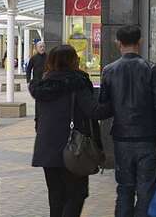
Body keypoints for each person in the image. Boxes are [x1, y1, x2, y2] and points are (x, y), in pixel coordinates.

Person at [99, 25, 156, 217]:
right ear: (140, 42)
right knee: (147, 191)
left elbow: (103, 106)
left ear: (118, 43)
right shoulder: (152, 69)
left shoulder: (109, 70)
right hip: (148, 138)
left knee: (124, 189)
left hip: (121, 138)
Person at [29, 45, 112, 217]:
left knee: (56, 197)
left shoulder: (42, 85)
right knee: (76, 195)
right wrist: (116, 103)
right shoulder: (78, 84)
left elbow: (38, 119)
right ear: (73, 61)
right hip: (73, 149)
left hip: (47, 149)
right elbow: (94, 111)